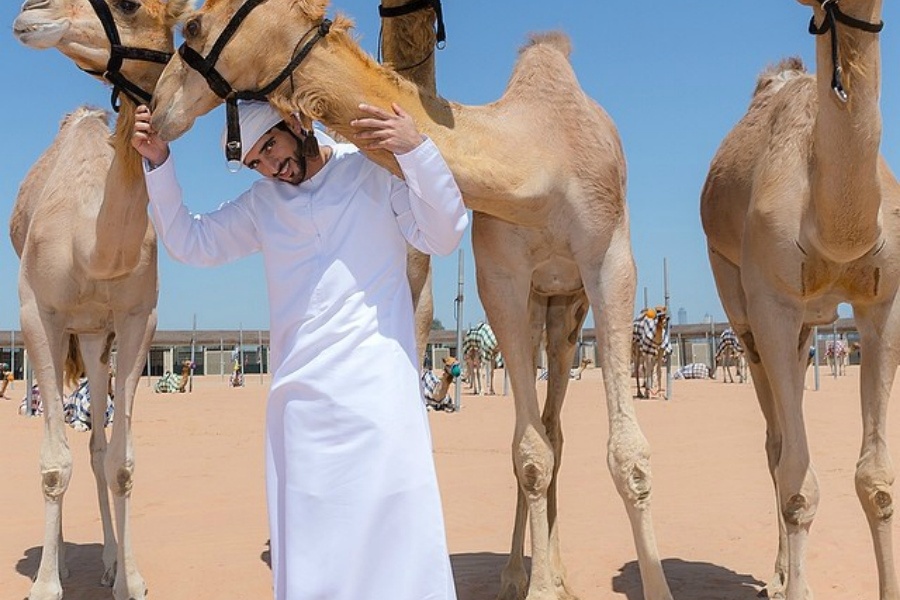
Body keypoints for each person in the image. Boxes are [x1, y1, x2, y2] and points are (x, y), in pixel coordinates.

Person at [132, 100, 467, 600]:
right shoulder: (262, 205)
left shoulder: (372, 171)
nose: (271, 166)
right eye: (255, 162)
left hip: (380, 399)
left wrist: (415, 149)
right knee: (316, 554)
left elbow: (445, 233)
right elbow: (189, 242)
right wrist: (159, 163)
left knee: (397, 544)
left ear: (295, 122)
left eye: (270, 146)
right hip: (301, 411)